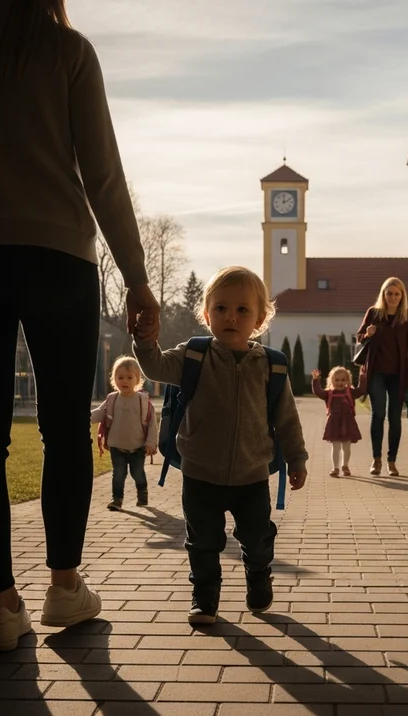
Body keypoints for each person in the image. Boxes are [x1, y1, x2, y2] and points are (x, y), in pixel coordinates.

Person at [0, 0, 159, 651]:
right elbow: (102, 174)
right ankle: (64, 586)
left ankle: (0, 605)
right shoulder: (67, 52)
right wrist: (136, 276)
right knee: (61, 432)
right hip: (57, 260)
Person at [134, 267, 308, 625]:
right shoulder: (194, 356)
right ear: (206, 313)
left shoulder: (271, 366)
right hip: (201, 472)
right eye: (221, 308)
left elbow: (287, 419)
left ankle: (258, 575)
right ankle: (205, 597)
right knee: (203, 541)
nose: (231, 316)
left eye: (243, 310)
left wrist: (297, 459)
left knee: (257, 537)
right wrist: (145, 341)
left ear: (259, 319)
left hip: (252, 474)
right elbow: (154, 366)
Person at [356, 277, 408, 477]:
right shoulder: (373, 313)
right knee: (378, 415)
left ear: (402, 296)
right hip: (376, 372)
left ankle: (391, 462)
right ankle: (376, 460)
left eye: (396, 294)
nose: (393, 297)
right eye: (389, 293)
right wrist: (367, 334)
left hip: (399, 374)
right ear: (383, 295)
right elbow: (359, 338)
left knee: (395, 417)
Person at [91, 356, 158, 511]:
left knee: (137, 473)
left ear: (137, 380)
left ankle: (142, 492)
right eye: (120, 377)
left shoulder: (142, 401)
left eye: (129, 377)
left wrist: (151, 443)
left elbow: (152, 424)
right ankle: (117, 500)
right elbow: (99, 414)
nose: (124, 381)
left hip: (138, 447)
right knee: (118, 474)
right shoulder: (111, 400)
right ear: (114, 379)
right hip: (116, 446)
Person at [311, 366, 368, 478]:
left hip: (348, 422)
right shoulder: (329, 394)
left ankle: (345, 465)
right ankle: (335, 468)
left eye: (343, 380)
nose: (340, 383)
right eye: (337, 380)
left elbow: (361, 390)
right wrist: (316, 380)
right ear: (331, 380)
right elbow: (318, 392)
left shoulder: (350, 392)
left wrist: (362, 377)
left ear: (348, 381)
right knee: (336, 446)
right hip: (334, 423)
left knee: (346, 446)